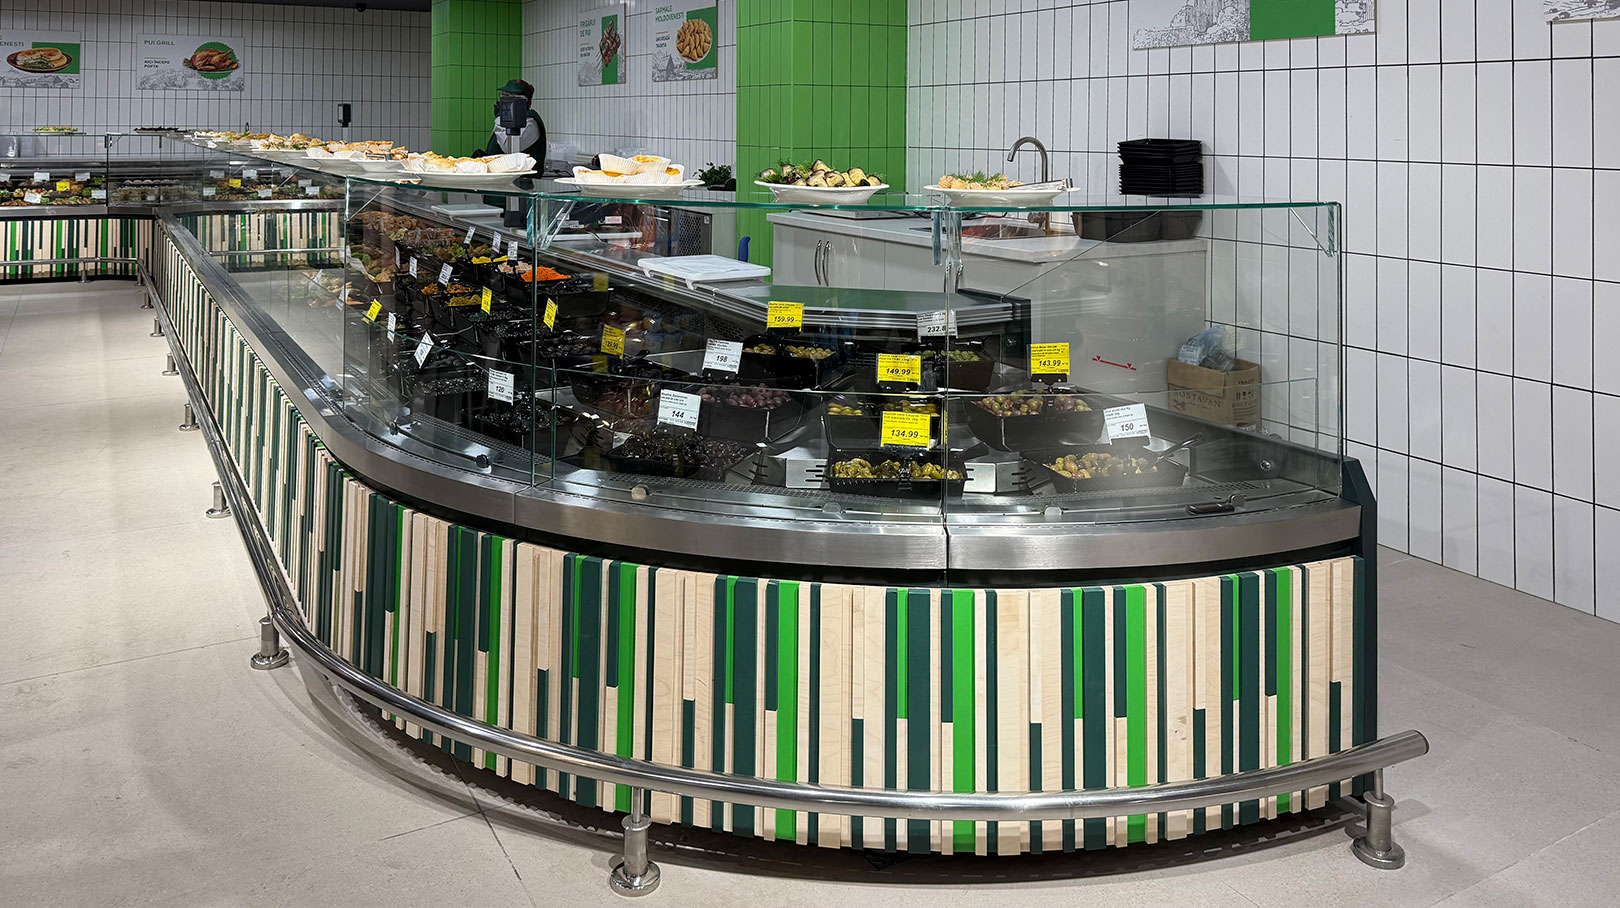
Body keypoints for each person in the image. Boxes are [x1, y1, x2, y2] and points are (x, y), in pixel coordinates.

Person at [486, 79, 546, 161]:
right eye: (502, 95)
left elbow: (508, 148)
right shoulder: (509, 119)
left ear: (523, 99)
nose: (503, 100)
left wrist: (499, 118)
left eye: (507, 96)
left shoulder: (530, 122)